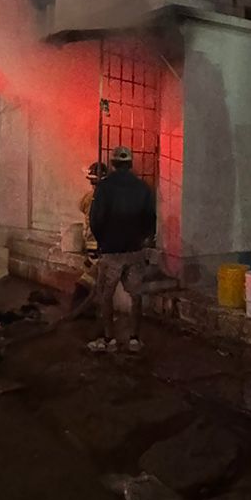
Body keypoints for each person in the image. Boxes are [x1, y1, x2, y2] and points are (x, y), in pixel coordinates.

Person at [87, 145, 156, 354]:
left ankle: (109, 340)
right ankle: (134, 339)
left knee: (105, 295)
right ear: (130, 164)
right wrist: (141, 239)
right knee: (136, 295)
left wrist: (103, 242)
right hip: (135, 251)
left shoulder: (104, 188)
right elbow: (150, 219)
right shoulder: (143, 187)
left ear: (114, 164)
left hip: (112, 251)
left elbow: (96, 220)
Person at [79, 161, 109, 257]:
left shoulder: (89, 197)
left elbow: (81, 207)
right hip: (108, 241)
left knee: (91, 261)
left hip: (92, 236)